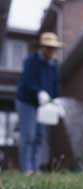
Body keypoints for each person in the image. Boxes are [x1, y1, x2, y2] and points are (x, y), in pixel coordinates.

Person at [16, 32, 63, 175]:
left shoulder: (54, 66)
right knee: (28, 135)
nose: (51, 50)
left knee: (39, 136)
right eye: (48, 47)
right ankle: (27, 169)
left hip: (43, 106)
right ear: (42, 47)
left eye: (53, 48)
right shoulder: (31, 61)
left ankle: (35, 169)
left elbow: (55, 86)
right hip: (27, 102)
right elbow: (28, 81)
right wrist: (38, 92)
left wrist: (56, 101)